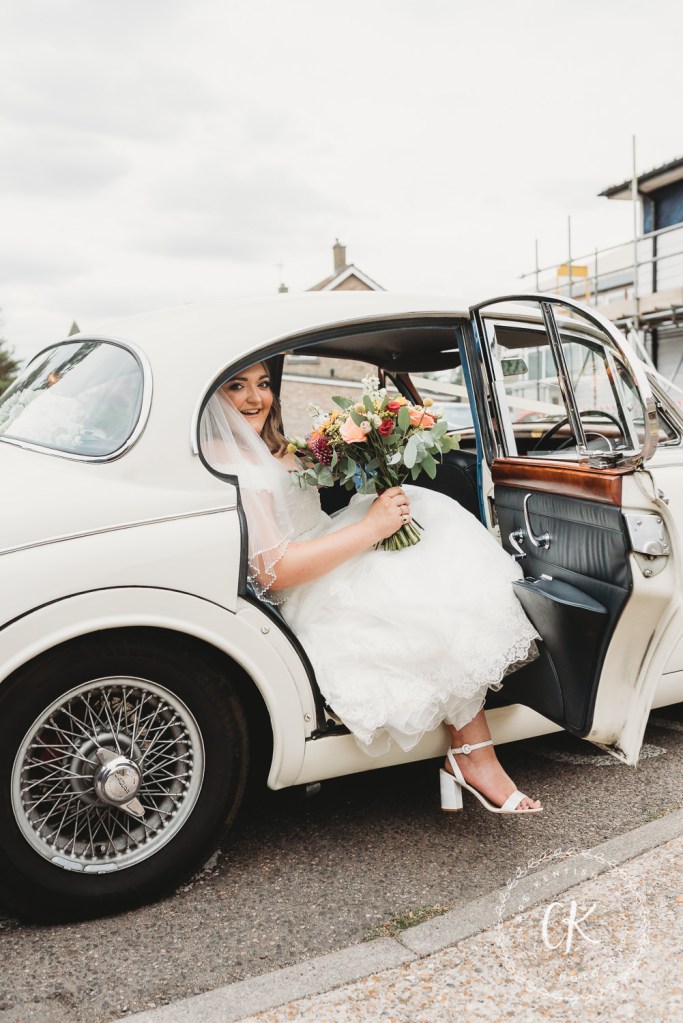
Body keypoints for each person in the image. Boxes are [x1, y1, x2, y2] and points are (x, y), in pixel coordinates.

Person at [201, 362, 542, 814]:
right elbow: (274, 570)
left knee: (431, 522)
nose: (255, 398)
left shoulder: (273, 448)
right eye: (236, 386)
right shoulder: (229, 463)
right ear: (212, 399)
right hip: (306, 585)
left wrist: (363, 448)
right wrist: (371, 529)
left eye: (263, 385)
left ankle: (470, 754)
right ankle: (474, 757)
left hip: (329, 547)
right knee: (418, 598)